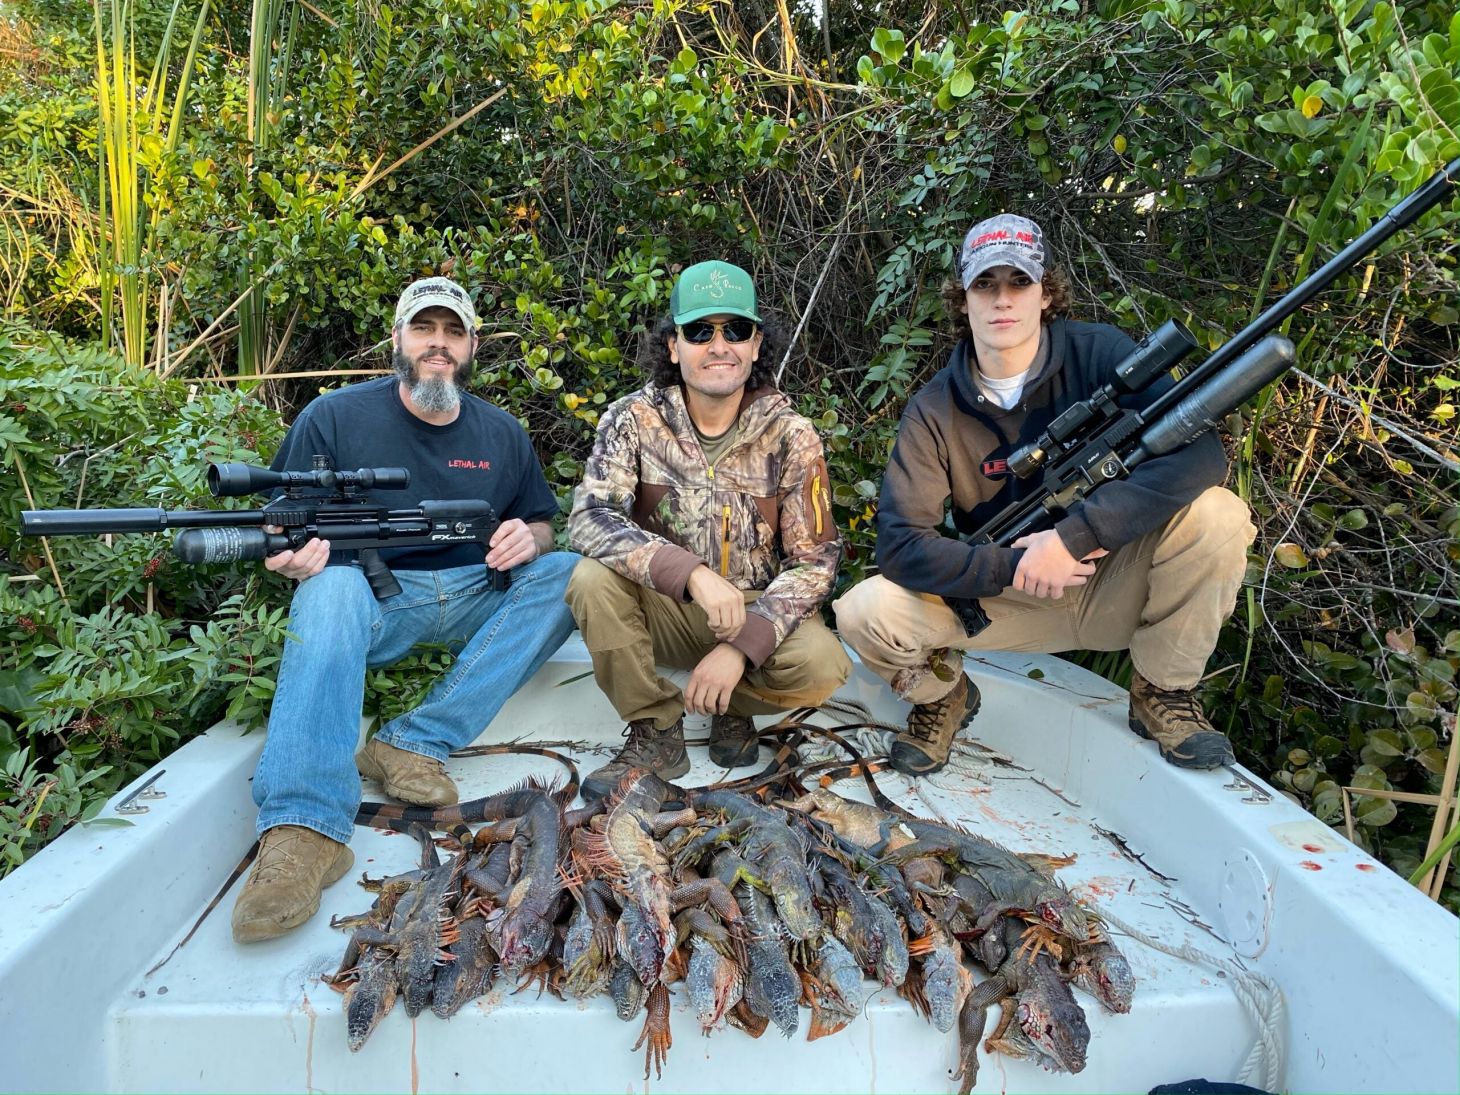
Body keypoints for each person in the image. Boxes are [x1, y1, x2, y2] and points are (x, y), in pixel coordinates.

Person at [834, 214, 1254, 776]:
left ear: (1045, 292)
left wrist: (1076, 537)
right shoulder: (934, 409)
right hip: (1009, 600)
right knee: (863, 611)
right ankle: (945, 698)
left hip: (1116, 584)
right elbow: (901, 545)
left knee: (1219, 515)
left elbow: (1201, 456)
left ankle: (1163, 694)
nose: (1002, 300)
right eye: (985, 284)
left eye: (1018, 283)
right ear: (963, 300)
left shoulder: (1101, 353)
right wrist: (1014, 565)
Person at [231, 276, 578, 943]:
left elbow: (540, 525)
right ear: (398, 339)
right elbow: (280, 525)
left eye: (453, 333)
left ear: (472, 346)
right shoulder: (333, 417)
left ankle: (409, 740)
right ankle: (305, 831)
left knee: (568, 574)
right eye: (425, 330)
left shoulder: (502, 433)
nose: (438, 346)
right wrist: (292, 556)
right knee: (327, 586)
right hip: (376, 601)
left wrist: (527, 537)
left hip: (479, 592)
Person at [565, 260, 851, 802]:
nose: (718, 345)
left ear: (756, 344)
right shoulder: (633, 419)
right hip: (668, 605)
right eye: (699, 331)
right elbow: (589, 518)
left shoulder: (792, 434)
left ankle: (734, 707)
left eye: (734, 330)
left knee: (823, 666)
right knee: (589, 580)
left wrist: (741, 647)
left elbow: (815, 561)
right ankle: (656, 728)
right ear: (673, 346)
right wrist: (691, 573)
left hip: (753, 609)